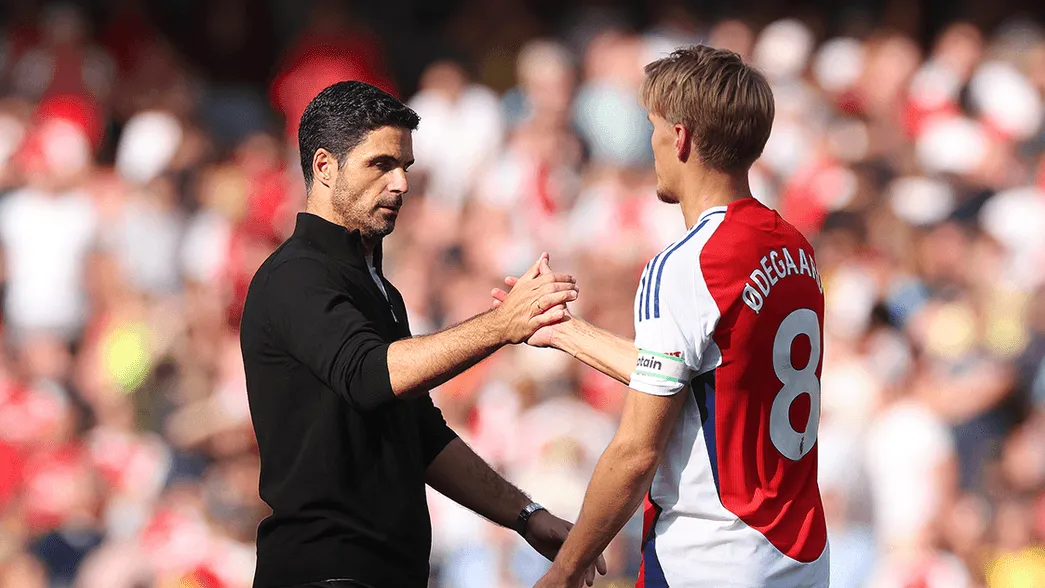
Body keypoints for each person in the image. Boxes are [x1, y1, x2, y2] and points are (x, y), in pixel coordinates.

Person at [240, 81, 605, 588]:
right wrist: (502, 325)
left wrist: (526, 516)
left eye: (405, 167)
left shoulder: (380, 290)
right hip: (323, 572)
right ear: (324, 166)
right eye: (381, 164)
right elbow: (369, 376)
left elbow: (422, 436)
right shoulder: (295, 275)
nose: (401, 184)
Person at [493, 46, 830, 587]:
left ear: (680, 137)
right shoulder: (794, 248)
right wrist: (564, 331)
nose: (648, 143)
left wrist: (566, 568)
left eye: (651, 127)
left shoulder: (687, 264)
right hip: (799, 556)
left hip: (710, 557)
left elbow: (636, 449)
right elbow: (701, 375)